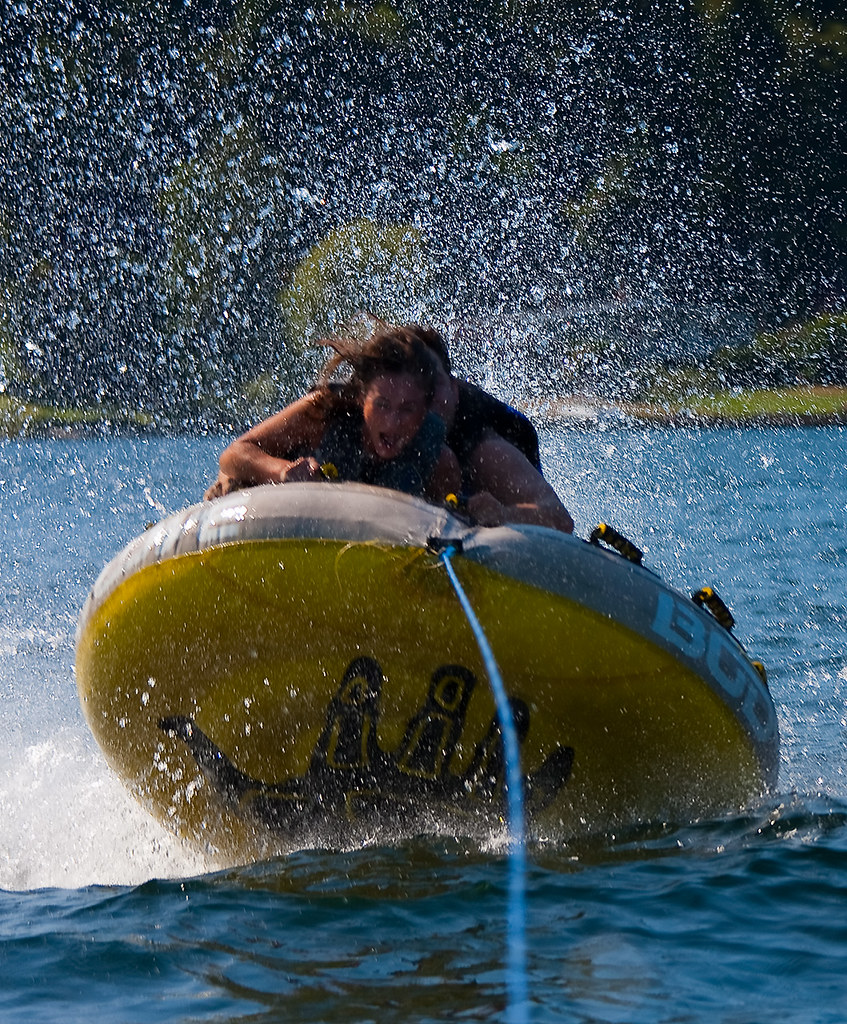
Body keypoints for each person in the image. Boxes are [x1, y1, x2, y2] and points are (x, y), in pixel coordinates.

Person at [206, 326, 460, 504]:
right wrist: (284, 471)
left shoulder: (440, 462)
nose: (393, 422)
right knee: (229, 483)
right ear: (362, 397)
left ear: (425, 409)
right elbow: (233, 454)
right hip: (275, 500)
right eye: (382, 404)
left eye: (407, 409)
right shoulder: (322, 412)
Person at [416, 326, 575, 534]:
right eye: (416, 386)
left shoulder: (485, 451)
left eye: (434, 384)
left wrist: (504, 514)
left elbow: (560, 520)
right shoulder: (369, 425)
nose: (426, 398)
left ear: (454, 390)